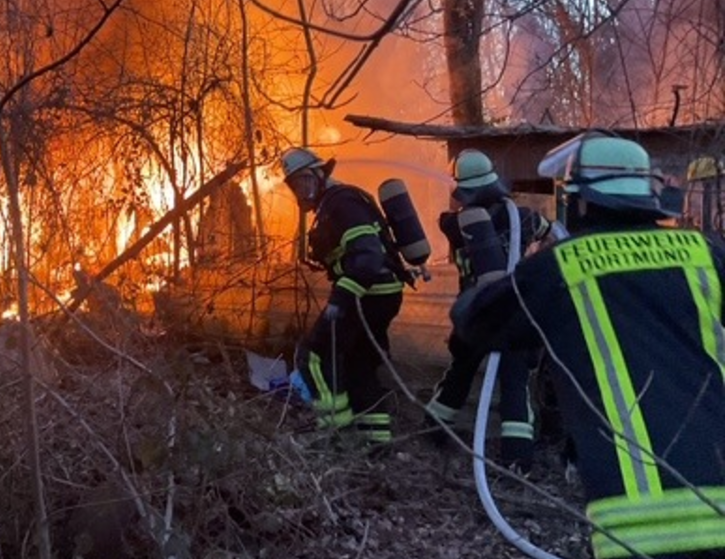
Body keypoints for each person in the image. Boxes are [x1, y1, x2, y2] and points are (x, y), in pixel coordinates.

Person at [453, 133, 725, 559]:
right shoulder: (705, 253)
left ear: (581, 202)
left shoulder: (562, 267)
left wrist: (490, 276)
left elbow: (474, 321)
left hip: (640, 522)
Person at [424, 149, 553, 473]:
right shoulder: (523, 217)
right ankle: (518, 459)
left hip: (476, 316)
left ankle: (432, 431)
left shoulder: (455, 224)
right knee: (514, 383)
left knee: (460, 374)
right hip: (513, 315)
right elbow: (551, 233)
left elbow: (451, 220)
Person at [281, 147, 408, 446]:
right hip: (380, 293)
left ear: (320, 175)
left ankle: (334, 432)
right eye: (294, 185)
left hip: (367, 294)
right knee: (359, 365)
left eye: (304, 181)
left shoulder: (342, 204)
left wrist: (339, 301)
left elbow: (367, 258)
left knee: (312, 354)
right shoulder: (333, 204)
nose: (300, 191)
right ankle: (376, 443)